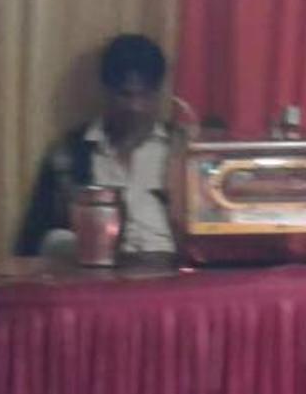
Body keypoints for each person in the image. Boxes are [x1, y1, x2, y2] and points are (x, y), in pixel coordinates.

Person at [13, 33, 180, 262]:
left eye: (145, 95)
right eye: (126, 95)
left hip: (173, 273)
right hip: (95, 276)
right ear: (106, 91)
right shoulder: (68, 155)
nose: (136, 107)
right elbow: (33, 241)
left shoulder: (182, 150)